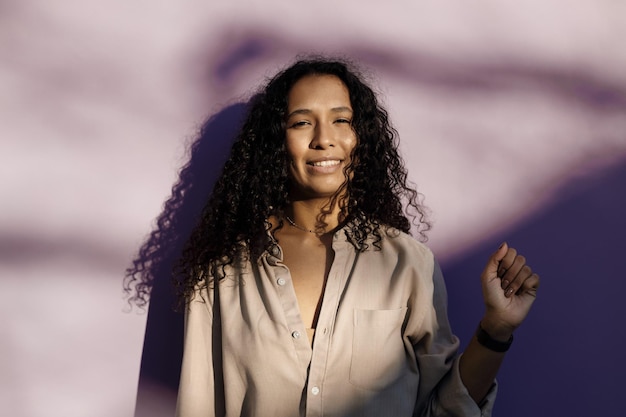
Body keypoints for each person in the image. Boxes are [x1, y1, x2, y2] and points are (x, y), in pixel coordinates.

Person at [136, 57, 540, 417]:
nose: (323, 138)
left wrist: (497, 328)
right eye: (301, 122)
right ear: (277, 143)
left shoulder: (408, 264)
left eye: (341, 120)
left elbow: (445, 410)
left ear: (360, 139)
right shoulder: (220, 275)